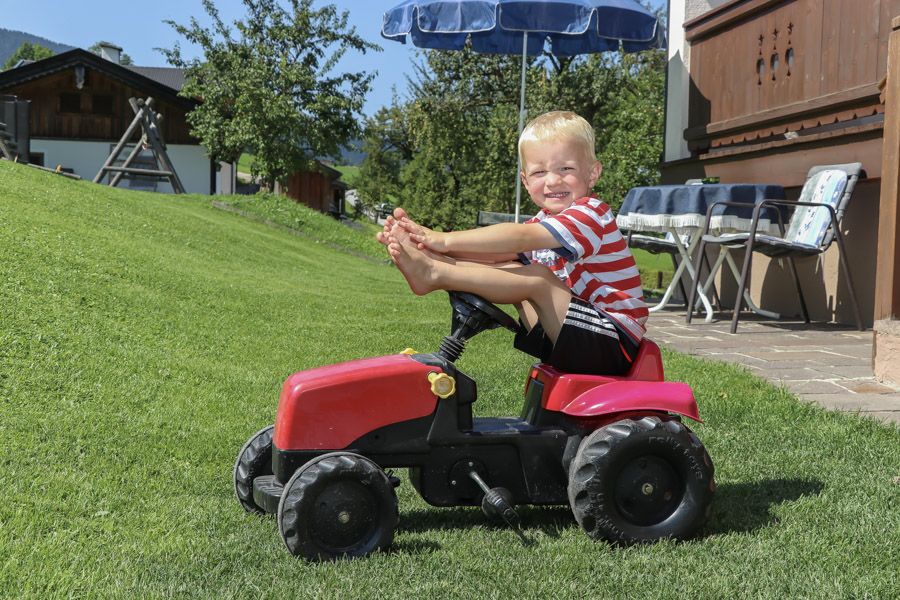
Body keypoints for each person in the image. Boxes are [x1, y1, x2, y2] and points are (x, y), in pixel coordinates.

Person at [376, 111, 647, 376]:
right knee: (513, 261)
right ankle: (436, 267)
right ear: (525, 181)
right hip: (577, 334)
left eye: (566, 168)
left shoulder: (591, 214)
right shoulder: (544, 222)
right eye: (540, 172)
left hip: (614, 341)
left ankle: (435, 274)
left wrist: (443, 238)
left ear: (592, 173)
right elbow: (498, 251)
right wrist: (428, 247)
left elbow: (519, 237)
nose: (553, 180)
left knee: (538, 279)